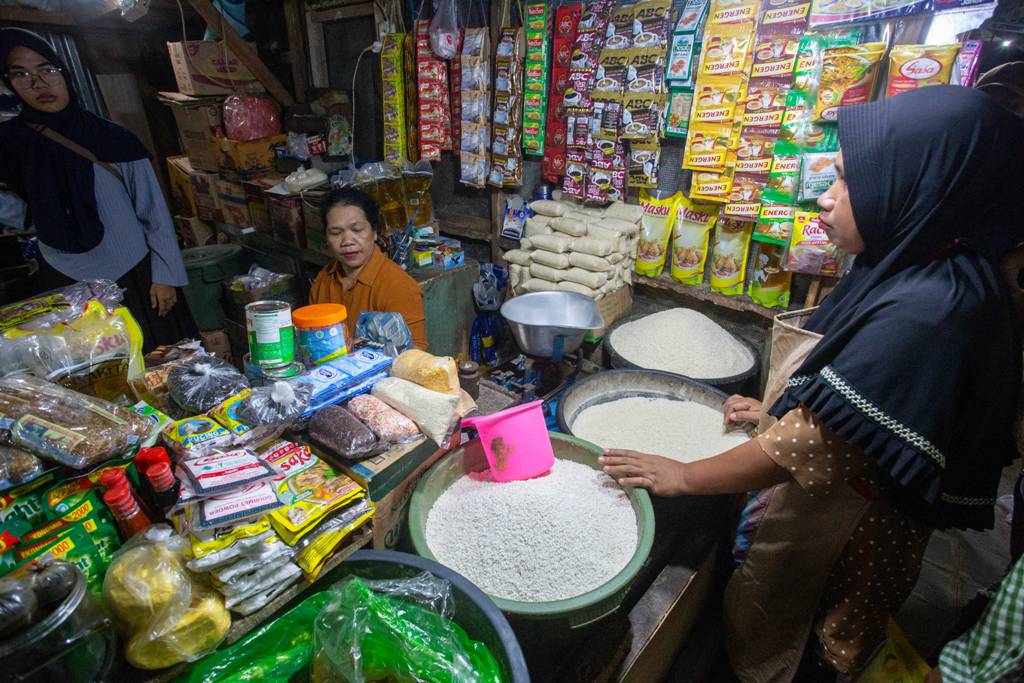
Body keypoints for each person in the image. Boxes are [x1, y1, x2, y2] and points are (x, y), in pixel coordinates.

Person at [600, 86, 1024, 681]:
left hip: (849, 535)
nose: (826, 197)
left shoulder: (930, 308)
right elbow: (849, 392)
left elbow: (816, 445)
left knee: (804, 639)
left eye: (848, 180)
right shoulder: (915, 259)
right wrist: (775, 410)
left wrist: (685, 475)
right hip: (841, 504)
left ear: (915, 183)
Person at [0, 28, 197, 352]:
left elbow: (154, 212)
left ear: (64, 73)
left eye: (47, 69)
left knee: (160, 357)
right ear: (9, 83)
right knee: (95, 362)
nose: (38, 84)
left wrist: (166, 276)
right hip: (65, 277)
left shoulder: (113, 139)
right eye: (21, 74)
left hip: (135, 274)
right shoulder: (12, 144)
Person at [308, 187, 428, 350]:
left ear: (375, 232)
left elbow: (415, 353)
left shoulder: (398, 286)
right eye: (336, 233)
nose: (347, 241)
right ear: (326, 238)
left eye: (357, 230)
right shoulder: (324, 279)